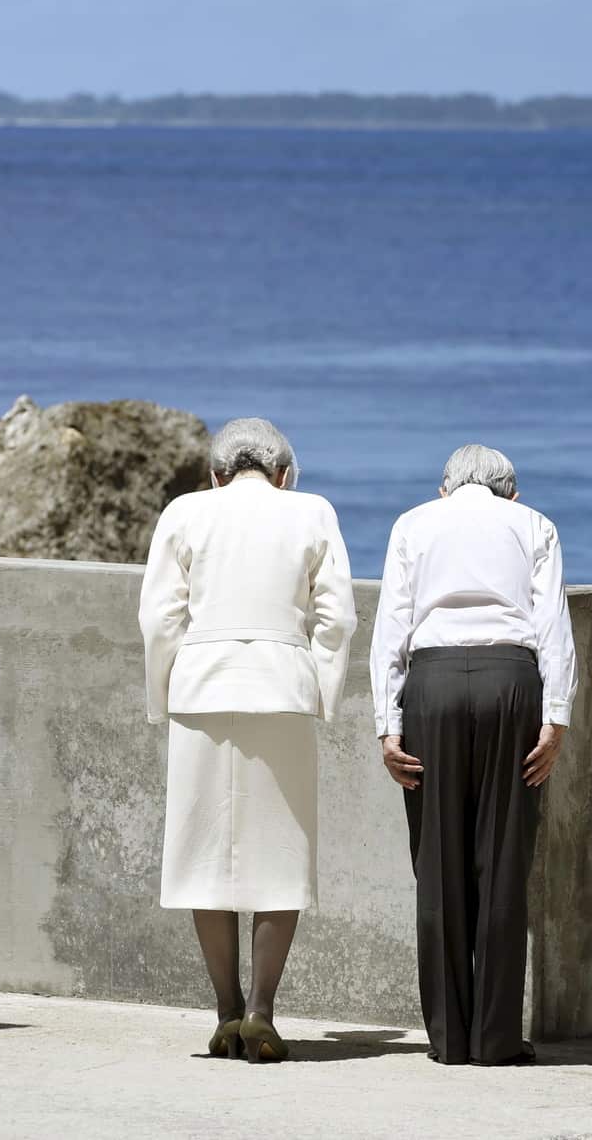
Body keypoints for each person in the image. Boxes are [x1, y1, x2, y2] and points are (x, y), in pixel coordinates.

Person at [139, 417, 356, 1062]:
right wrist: (320, 691)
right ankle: (263, 1008)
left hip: (202, 689)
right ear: (284, 472)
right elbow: (337, 617)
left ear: (216, 473)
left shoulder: (184, 512)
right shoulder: (312, 512)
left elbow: (159, 617)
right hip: (281, 689)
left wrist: (163, 694)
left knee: (203, 852)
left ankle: (226, 1010)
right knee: (280, 853)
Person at [370, 443, 578, 1066]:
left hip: (431, 685)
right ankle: (495, 1038)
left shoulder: (413, 524)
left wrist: (388, 723)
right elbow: (553, 627)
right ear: (509, 491)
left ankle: (448, 1039)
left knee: (437, 864)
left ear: (445, 488)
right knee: (502, 859)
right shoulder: (534, 524)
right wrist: (556, 716)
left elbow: (391, 627)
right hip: (510, 681)